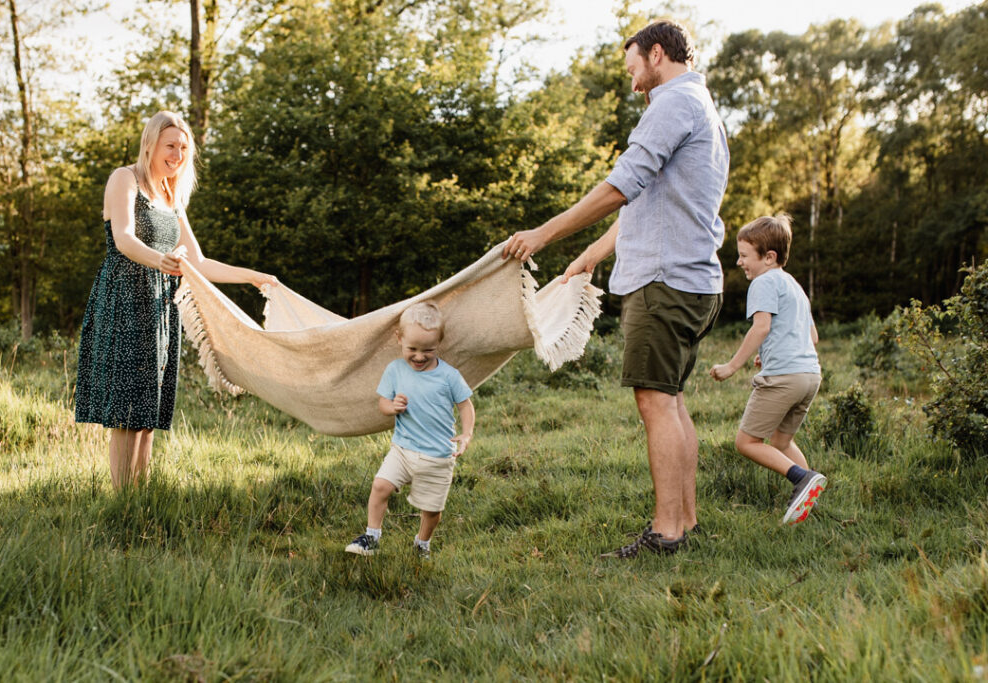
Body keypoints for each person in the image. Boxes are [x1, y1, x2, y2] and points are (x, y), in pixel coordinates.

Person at [502, 20, 728, 556]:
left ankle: (666, 533)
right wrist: (585, 259)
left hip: (665, 281)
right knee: (670, 401)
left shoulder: (672, 104)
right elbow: (643, 207)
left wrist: (543, 234)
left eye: (632, 66)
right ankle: (686, 524)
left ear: (656, 54)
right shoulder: (703, 109)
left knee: (655, 402)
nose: (629, 76)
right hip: (693, 280)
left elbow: (621, 186)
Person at [74, 111, 277, 489]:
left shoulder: (171, 197)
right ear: (151, 144)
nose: (178, 154)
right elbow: (124, 239)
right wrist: (162, 259)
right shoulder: (125, 179)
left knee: (148, 413)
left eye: (184, 148)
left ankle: (141, 496)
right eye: (171, 146)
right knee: (126, 413)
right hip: (125, 298)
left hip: (161, 307)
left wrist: (252, 276)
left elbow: (198, 262)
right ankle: (123, 503)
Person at [709, 215, 826, 524]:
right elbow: (811, 337)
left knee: (746, 443)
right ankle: (809, 491)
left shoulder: (763, 282)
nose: (738, 262)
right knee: (781, 443)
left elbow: (761, 328)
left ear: (769, 257)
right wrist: (772, 352)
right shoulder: (795, 286)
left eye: (745, 255)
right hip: (810, 376)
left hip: (784, 378)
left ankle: (801, 479)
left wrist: (732, 366)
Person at [344, 302, 475, 559]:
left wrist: (467, 432)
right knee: (380, 486)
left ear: (440, 343)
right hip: (403, 449)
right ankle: (372, 536)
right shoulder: (395, 370)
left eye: (428, 349)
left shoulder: (449, 376)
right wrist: (392, 406)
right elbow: (382, 402)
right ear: (399, 339)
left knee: (432, 511)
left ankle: (422, 544)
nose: (419, 356)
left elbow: (465, 405)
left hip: (437, 455)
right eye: (412, 349)